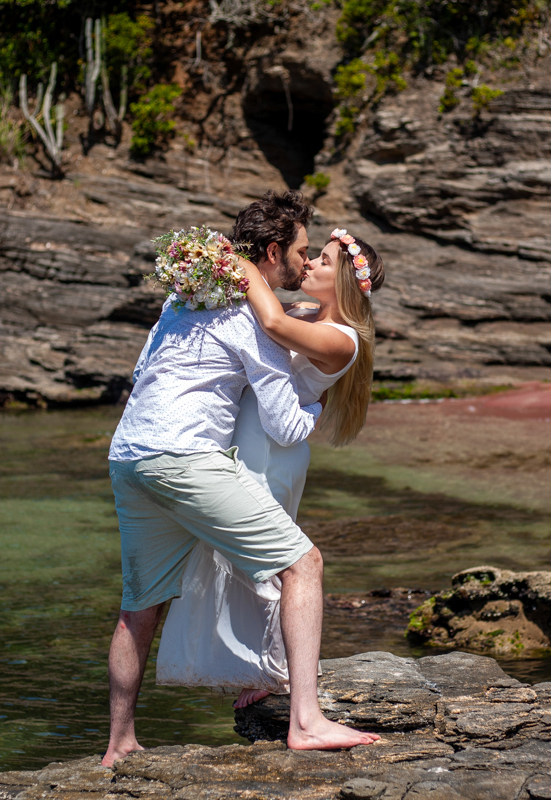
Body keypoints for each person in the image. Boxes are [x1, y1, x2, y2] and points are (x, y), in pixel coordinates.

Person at [102, 191, 379, 767]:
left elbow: (141, 367)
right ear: (273, 253)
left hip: (130, 453)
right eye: (304, 252)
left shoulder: (186, 297)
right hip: (186, 457)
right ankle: (306, 720)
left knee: (139, 605)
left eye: (319, 257)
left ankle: (119, 744)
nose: (307, 263)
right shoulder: (253, 318)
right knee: (302, 564)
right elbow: (283, 417)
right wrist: (312, 413)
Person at [155, 224, 386, 709]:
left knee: (267, 563)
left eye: (323, 260)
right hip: (250, 438)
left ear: (342, 279)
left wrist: (238, 264)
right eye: (313, 256)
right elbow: (257, 320)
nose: (311, 265)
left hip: (272, 450)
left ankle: (278, 671)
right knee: (241, 558)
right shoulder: (307, 312)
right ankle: (260, 666)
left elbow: (273, 327)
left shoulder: (342, 339)